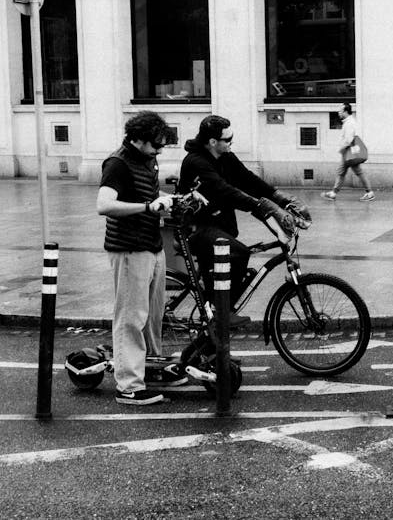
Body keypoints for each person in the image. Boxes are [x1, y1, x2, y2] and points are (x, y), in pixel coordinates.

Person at [97, 111, 181, 406]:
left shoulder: (146, 158)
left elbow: (146, 190)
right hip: (129, 248)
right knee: (131, 318)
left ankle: (150, 368)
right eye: (155, 145)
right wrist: (148, 207)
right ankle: (129, 386)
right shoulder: (117, 163)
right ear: (137, 139)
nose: (159, 151)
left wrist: (171, 199)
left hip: (152, 246)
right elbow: (104, 204)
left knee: (152, 316)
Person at [179, 115, 310, 304]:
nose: (232, 143)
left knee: (228, 261)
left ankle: (220, 309)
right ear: (213, 141)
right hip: (197, 227)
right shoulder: (196, 162)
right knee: (239, 253)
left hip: (220, 224)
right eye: (228, 140)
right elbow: (224, 191)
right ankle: (221, 312)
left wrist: (280, 198)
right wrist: (258, 206)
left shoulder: (225, 156)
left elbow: (247, 179)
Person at [321, 102, 375, 202]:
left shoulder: (349, 123)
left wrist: (341, 148)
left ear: (345, 111)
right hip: (347, 153)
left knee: (346, 172)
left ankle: (369, 193)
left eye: (340, 111)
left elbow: (349, 140)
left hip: (348, 153)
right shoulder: (348, 122)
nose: (338, 113)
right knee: (344, 172)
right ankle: (334, 193)